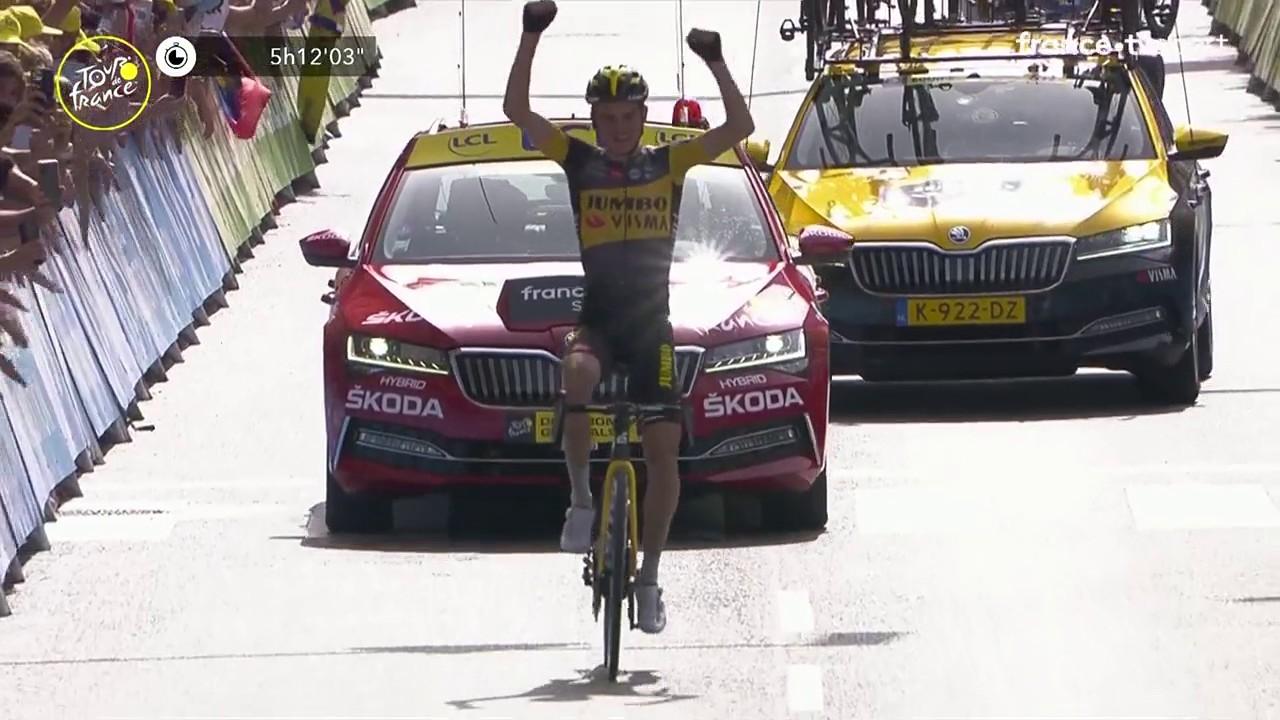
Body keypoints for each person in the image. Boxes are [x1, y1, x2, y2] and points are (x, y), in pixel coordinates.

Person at [502, 0, 754, 634]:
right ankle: (582, 501)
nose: (616, 127)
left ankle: (648, 579)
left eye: (627, 116)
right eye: (606, 117)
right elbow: (516, 112)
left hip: (652, 328)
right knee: (577, 376)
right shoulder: (579, 160)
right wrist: (531, 36)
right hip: (601, 319)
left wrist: (717, 61)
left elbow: (740, 124)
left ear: (644, 118)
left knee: (663, 454)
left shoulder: (668, 162)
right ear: (594, 119)